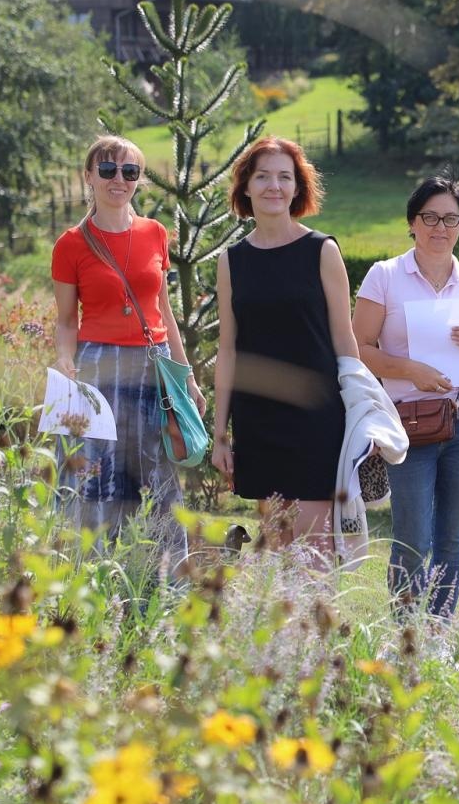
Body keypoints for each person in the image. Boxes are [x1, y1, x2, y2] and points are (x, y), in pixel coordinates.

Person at [353, 177, 459, 619]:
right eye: (431, 217)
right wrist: (410, 371)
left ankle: (437, 631)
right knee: (413, 536)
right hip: (408, 421)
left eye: (451, 219)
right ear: (412, 223)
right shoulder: (384, 276)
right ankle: (406, 631)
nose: (441, 227)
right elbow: (358, 349)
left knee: (453, 536)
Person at [51, 135, 203, 566]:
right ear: (89, 177)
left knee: (158, 478)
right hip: (96, 370)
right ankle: (92, 583)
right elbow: (66, 320)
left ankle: (162, 586)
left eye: (130, 171)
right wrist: (65, 359)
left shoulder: (155, 234)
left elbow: (165, 313)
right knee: (93, 477)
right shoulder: (71, 244)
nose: (119, 179)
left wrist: (187, 377)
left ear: (138, 180)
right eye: (108, 170)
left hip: (153, 371)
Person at [212, 137, 359, 553]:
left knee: (314, 545)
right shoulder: (231, 261)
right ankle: (284, 620)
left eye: (284, 177)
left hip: (318, 415)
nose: (273, 186)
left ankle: (315, 620)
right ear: (245, 187)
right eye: (262, 177)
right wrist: (221, 433)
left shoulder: (322, 250)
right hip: (257, 417)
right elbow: (228, 349)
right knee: (277, 542)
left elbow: (344, 337)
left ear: (298, 188)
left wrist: (360, 409)